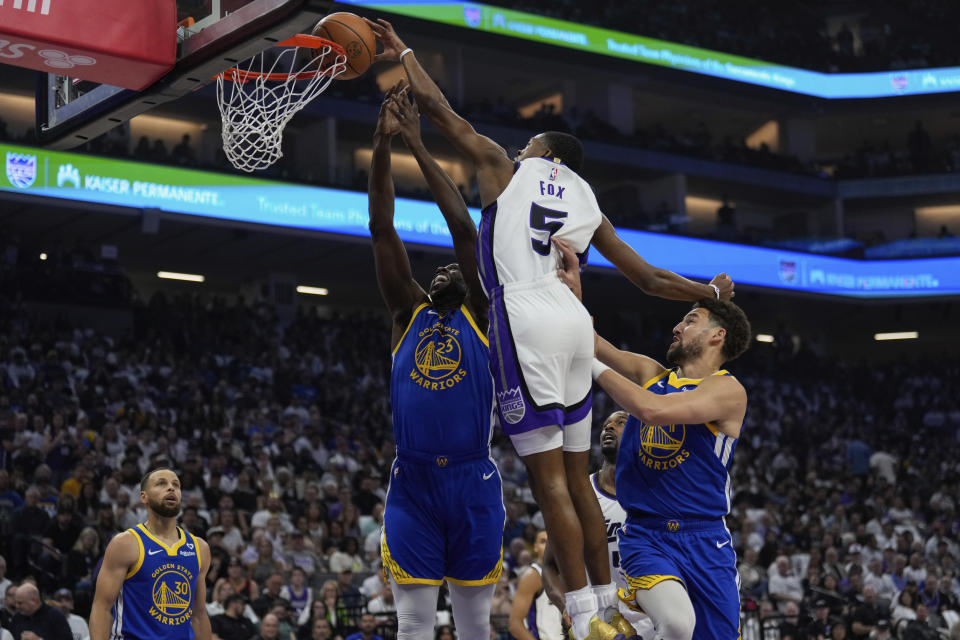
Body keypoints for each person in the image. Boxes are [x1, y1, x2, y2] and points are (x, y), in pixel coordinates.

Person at [366, 20, 734, 640]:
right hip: (573, 314)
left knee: (551, 483)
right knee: (580, 471)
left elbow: (435, 104)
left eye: (529, 142)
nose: (518, 148)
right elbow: (647, 279)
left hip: (527, 316)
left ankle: (587, 614)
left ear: (547, 151)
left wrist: (399, 50)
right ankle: (607, 602)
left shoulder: (505, 171)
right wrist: (709, 292)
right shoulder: (589, 201)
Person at [368, 85, 503, 640]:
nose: (445, 269)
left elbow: (465, 232)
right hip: (414, 480)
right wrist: (382, 145)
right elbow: (381, 228)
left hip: (473, 477)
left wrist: (419, 146)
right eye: (439, 270)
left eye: (453, 269)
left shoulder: (481, 312)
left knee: (473, 626)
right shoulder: (407, 313)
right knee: (414, 622)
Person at [589, 295, 751, 640]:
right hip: (649, 536)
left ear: (717, 335)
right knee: (677, 624)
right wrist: (568, 289)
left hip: (706, 538)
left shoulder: (728, 390)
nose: (677, 327)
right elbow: (590, 340)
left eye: (690, 320)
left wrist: (590, 363)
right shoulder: (652, 374)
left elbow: (654, 411)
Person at [541, 411, 655, 639]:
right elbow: (549, 566)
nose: (609, 427)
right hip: (601, 623)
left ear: (639, 435)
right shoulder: (580, 496)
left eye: (621, 423)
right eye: (605, 424)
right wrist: (568, 606)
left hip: (652, 619)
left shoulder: (655, 493)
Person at [89, 468, 212, 640]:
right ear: (143, 497)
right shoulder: (125, 543)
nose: (171, 488)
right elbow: (101, 607)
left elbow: (198, 615)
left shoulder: (199, 547)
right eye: (161, 483)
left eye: (176, 485)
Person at [508, 530, 564, 640]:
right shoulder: (532, 576)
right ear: (535, 547)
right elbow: (515, 624)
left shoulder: (567, 573)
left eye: (551, 542)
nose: (548, 546)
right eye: (543, 542)